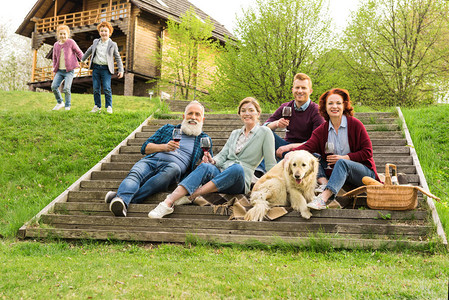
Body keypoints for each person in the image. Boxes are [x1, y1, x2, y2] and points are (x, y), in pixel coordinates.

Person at [148, 97, 277, 219]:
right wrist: (212, 160)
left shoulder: (265, 132)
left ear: (258, 113)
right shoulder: (235, 133)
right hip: (222, 172)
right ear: (240, 114)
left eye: (251, 110)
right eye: (243, 111)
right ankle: (167, 203)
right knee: (205, 166)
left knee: (236, 168)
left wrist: (274, 186)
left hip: (240, 178)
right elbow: (223, 155)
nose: (247, 113)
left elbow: (271, 163)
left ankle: (192, 195)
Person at [104, 101, 211, 217]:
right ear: (184, 116)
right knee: (134, 175)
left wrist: (206, 161)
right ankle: (122, 200)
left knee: (172, 169)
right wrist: (164, 147)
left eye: (197, 114)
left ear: (202, 119)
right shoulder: (168, 129)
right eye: (190, 113)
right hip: (150, 161)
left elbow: (208, 167)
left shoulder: (204, 139)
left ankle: (121, 198)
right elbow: (145, 148)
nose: (193, 117)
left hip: (173, 169)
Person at [285, 88, 380, 210]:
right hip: (340, 176)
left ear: (344, 105)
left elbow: (368, 152)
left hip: (363, 174)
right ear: (325, 106)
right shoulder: (322, 130)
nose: (334, 106)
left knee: (342, 163)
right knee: (313, 157)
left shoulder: (355, 125)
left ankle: (323, 198)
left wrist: (346, 158)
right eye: (330, 103)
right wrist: (291, 154)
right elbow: (307, 147)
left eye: (338, 103)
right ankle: (325, 183)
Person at [265, 73, 325, 157]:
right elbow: (263, 128)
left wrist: (290, 148)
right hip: (285, 145)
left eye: (303, 88)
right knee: (264, 133)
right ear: (293, 90)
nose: (300, 91)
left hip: (306, 151)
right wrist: (276, 124)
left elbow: (316, 141)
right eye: (297, 87)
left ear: (310, 91)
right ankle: (259, 168)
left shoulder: (317, 111)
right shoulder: (286, 107)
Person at [81, 21, 124, 114]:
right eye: (102, 31)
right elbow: (89, 51)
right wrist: (83, 59)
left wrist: (121, 70)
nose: (104, 33)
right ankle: (97, 106)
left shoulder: (113, 44)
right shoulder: (96, 42)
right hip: (96, 68)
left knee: (107, 88)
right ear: (99, 32)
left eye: (105, 31)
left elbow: (117, 57)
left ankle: (109, 106)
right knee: (96, 88)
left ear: (110, 33)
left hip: (106, 69)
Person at [51, 24, 83, 111]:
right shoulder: (56, 45)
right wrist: (54, 68)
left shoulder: (71, 42)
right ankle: (60, 102)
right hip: (59, 71)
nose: (62, 36)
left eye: (64, 34)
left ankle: (67, 106)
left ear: (68, 34)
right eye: (61, 34)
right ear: (58, 34)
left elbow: (78, 52)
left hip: (69, 71)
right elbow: (54, 57)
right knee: (54, 86)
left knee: (66, 88)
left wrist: (83, 59)